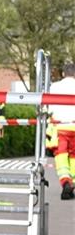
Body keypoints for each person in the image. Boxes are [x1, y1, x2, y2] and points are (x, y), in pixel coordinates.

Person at [49, 63, 75, 200]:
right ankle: (73, 183)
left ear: (63, 73)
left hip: (61, 128)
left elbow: (49, 107)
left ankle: (66, 182)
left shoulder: (55, 86)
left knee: (61, 156)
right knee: (74, 158)